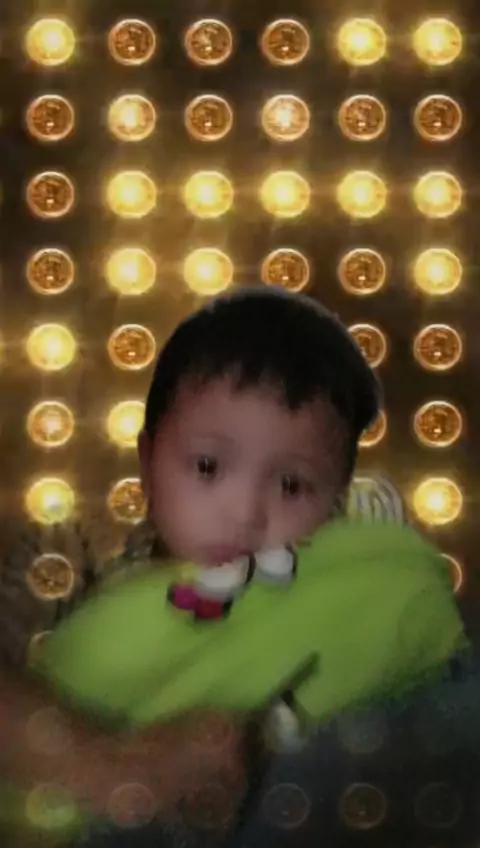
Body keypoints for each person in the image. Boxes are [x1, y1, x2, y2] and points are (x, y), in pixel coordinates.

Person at [0, 286, 466, 843]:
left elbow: (401, 618)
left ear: (336, 500)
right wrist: (118, 767)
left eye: (291, 485)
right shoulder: (69, 564)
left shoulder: (351, 566)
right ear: (147, 461)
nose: (245, 514)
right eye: (206, 467)